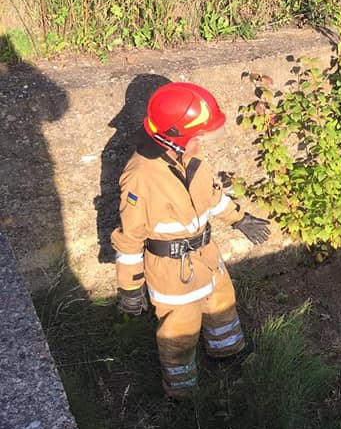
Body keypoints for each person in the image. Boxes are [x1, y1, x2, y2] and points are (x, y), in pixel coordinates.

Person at [110, 81, 270, 399]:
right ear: (175, 139)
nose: (203, 142)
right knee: (179, 330)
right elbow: (129, 238)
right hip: (172, 270)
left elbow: (211, 196)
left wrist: (241, 219)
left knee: (222, 302)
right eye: (198, 136)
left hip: (206, 256)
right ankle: (183, 391)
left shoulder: (192, 158)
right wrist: (129, 287)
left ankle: (228, 351)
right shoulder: (140, 177)